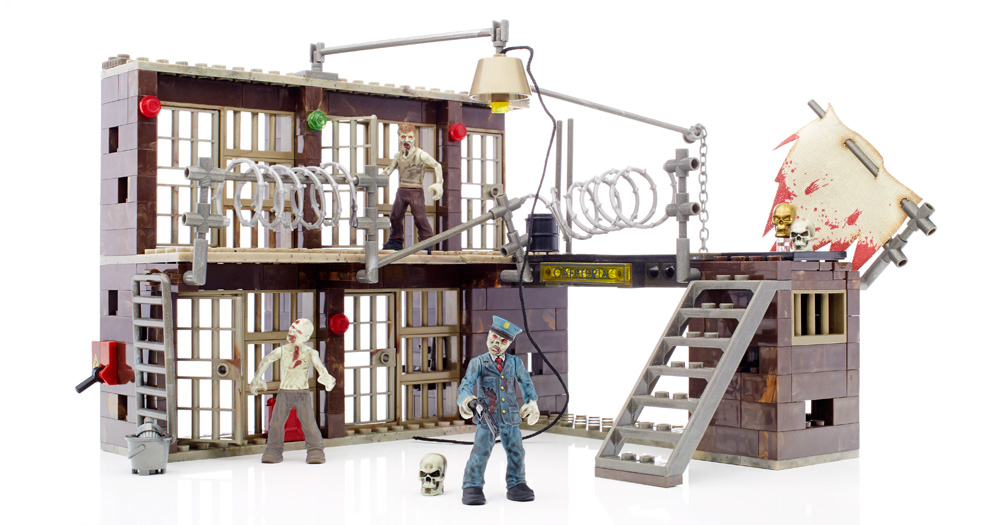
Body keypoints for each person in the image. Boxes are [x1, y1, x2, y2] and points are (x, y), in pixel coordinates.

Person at [457, 316, 540, 505]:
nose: (496, 345)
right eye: (493, 339)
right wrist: (469, 400)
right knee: (480, 452)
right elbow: (466, 385)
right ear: (488, 337)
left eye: (502, 342)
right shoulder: (478, 362)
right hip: (487, 417)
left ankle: (517, 483)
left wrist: (532, 402)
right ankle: (472, 485)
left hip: (510, 416)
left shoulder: (515, 363)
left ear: (509, 343)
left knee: (517, 452)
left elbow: (526, 383)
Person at [248, 318, 335, 464]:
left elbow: (321, 368)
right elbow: (267, 359)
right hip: (284, 393)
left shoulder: (311, 353)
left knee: (308, 423)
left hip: (302, 394)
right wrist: (257, 377)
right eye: (291, 328)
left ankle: (315, 449)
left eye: (297, 331)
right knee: (276, 423)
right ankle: (273, 450)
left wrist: (327, 378)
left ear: (306, 337)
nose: (292, 332)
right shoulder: (282, 351)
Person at [381, 123, 443, 251]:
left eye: (409, 137)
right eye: (403, 137)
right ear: (399, 137)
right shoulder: (398, 156)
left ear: (414, 137)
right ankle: (395, 240)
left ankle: (426, 241)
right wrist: (377, 179)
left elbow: (437, 165)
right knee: (395, 216)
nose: (407, 140)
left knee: (420, 217)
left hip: (416, 191)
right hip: (401, 190)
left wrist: (439, 183)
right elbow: (388, 170)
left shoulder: (420, 154)